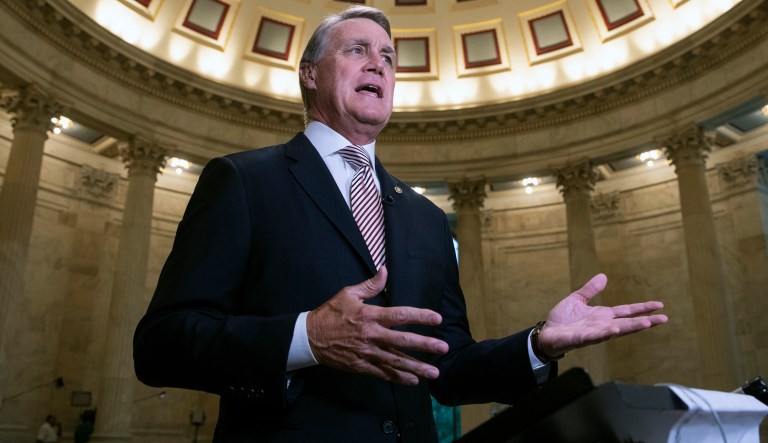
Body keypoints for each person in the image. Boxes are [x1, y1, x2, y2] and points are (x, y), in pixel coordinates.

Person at [133, 5, 668, 442]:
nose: (379, 63)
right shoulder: (244, 181)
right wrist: (306, 339)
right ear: (310, 74)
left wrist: (539, 344)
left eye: (388, 56)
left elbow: (449, 366)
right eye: (357, 50)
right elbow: (161, 345)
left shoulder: (426, 219)